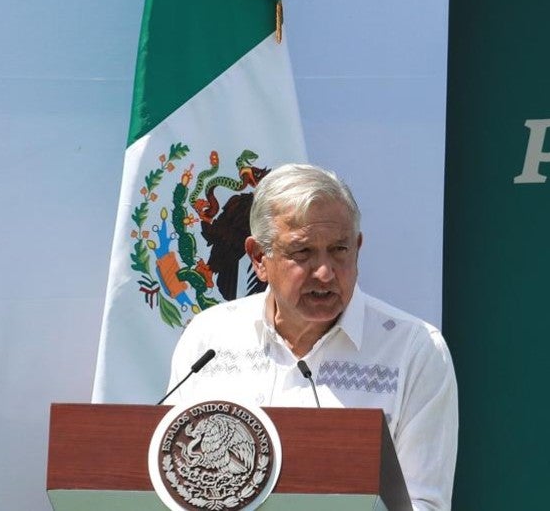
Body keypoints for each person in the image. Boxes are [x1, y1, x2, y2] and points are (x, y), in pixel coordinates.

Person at [166, 163, 457, 510]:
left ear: (358, 248)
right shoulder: (209, 338)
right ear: (259, 258)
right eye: (302, 252)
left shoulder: (414, 350)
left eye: (339, 250)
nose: (324, 272)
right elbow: (174, 481)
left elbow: (424, 504)